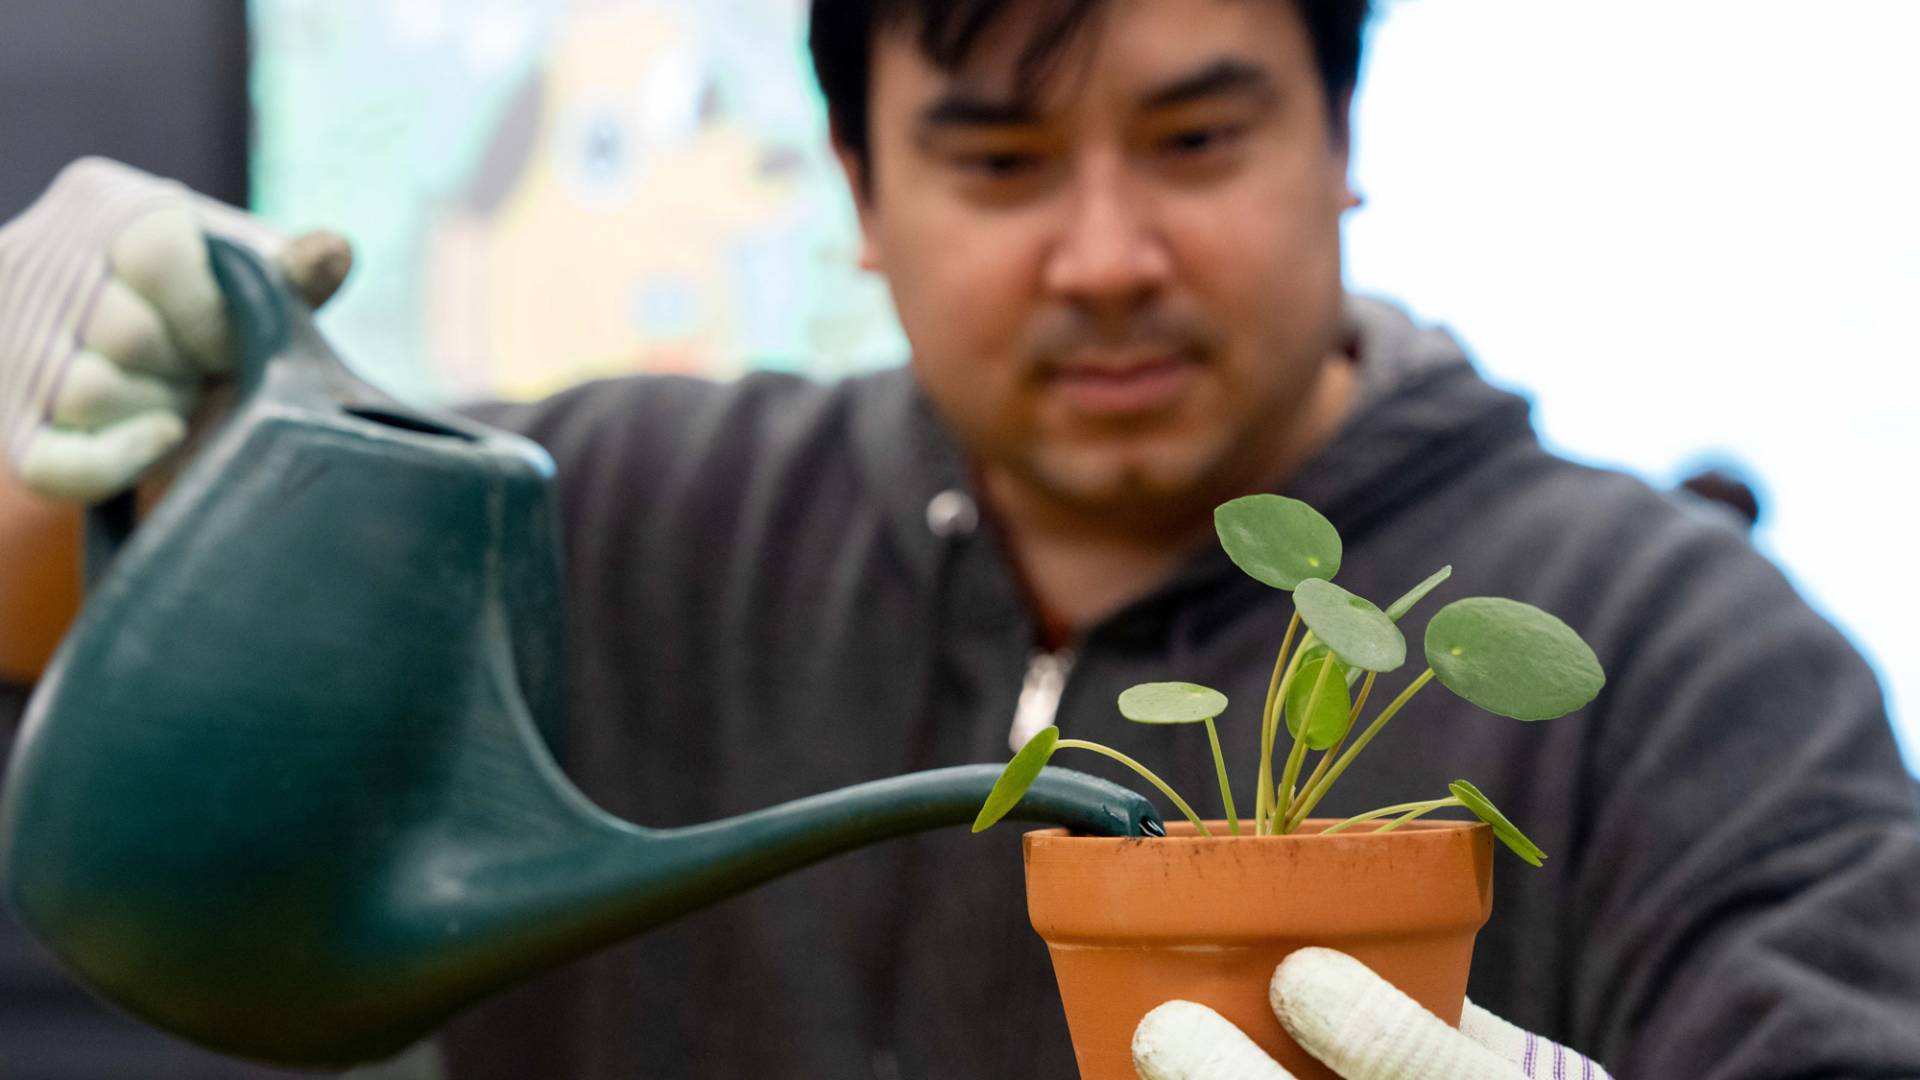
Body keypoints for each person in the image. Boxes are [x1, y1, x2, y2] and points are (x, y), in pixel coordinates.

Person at [4, 1, 1919, 1077]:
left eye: (1193, 143)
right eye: (999, 162)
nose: (1104, 257)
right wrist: (54, 422)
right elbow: (84, 597)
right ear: (856, 184)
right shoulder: (618, 517)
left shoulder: (1689, 649)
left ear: (1341, 142)